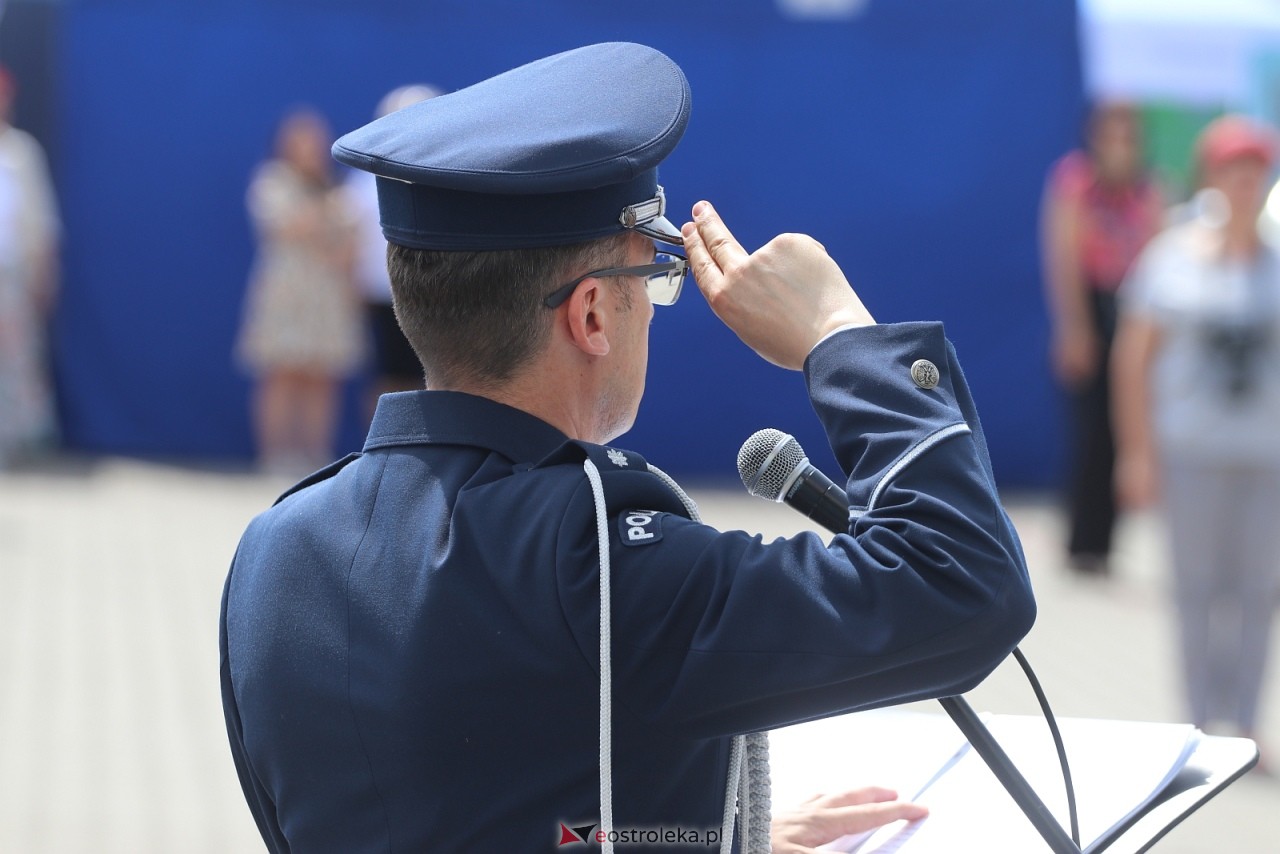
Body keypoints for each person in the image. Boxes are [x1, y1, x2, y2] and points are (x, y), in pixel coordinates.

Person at [219, 43, 1036, 852]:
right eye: (654, 280)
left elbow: (495, 809)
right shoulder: (594, 560)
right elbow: (961, 583)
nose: (653, 308)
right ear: (591, 316)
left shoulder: (274, 551)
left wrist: (710, 839)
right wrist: (840, 334)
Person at [1113, 115, 1280, 759]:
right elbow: (1134, 360)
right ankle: (1198, 722)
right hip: (1192, 453)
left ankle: (1247, 721)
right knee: (1195, 590)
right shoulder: (1171, 258)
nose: (1243, 185)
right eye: (1232, 172)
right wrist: (1137, 453)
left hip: (1264, 454)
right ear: (1211, 177)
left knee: (1258, 591)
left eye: (1254, 173)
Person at [1040, 102, 1163, 576]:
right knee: (1087, 430)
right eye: (1111, 135)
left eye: (1127, 136)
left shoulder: (1148, 189)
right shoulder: (1075, 182)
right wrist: (1074, 328)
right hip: (1091, 304)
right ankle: (1081, 541)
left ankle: (1107, 541)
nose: (1119, 146)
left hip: (1134, 308)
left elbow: (1158, 253)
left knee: (1122, 427)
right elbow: (1064, 259)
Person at [236, 107, 364, 475]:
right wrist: (325, 215)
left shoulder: (336, 187)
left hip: (327, 295)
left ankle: (314, 454)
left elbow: (351, 241)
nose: (310, 148)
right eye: (302, 141)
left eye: (316, 140)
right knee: (283, 373)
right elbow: (289, 226)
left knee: (321, 376)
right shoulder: (273, 181)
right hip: (287, 292)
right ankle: (275, 454)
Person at [344, 84, 443, 415]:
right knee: (389, 379)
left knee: (438, 377)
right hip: (381, 295)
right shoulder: (364, 182)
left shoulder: (449, 177)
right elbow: (352, 240)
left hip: (439, 292)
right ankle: (387, 444)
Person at [0, 66, 61, 469]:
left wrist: (44, 273)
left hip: (11, 276)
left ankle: (15, 441)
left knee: (17, 360)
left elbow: (42, 222)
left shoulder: (21, 153)